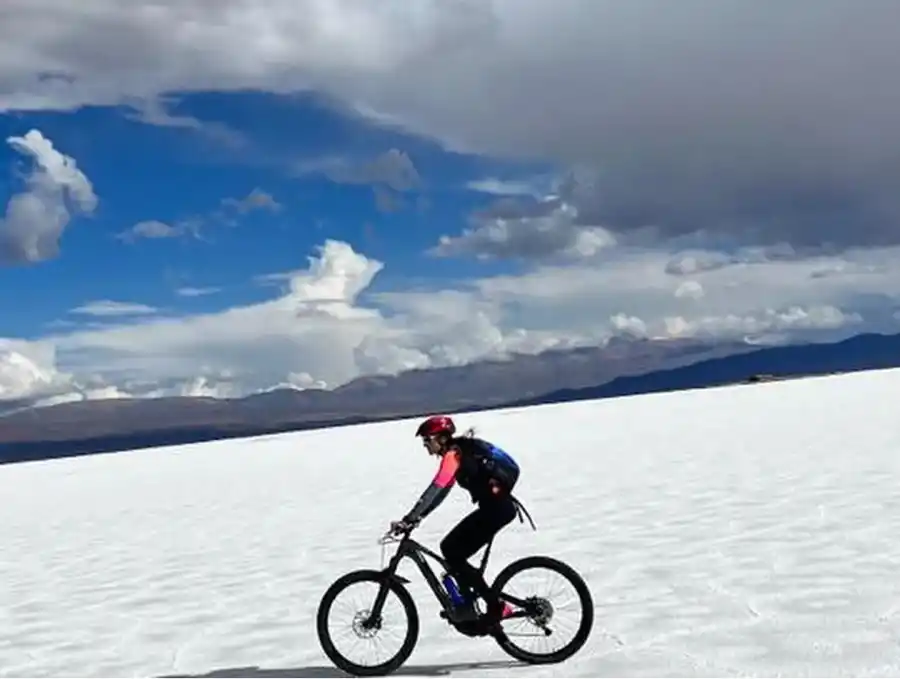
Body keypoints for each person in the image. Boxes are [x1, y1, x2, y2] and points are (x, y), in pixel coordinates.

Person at [389, 414, 534, 635]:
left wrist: (409, 518)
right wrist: (418, 517)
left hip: (496, 510)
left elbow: (435, 488)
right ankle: (469, 602)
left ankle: (495, 606)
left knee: (452, 550)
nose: (426, 446)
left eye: (427, 441)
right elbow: (440, 494)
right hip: (495, 509)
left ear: (440, 438)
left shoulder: (453, 454)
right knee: (452, 550)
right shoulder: (460, 452)